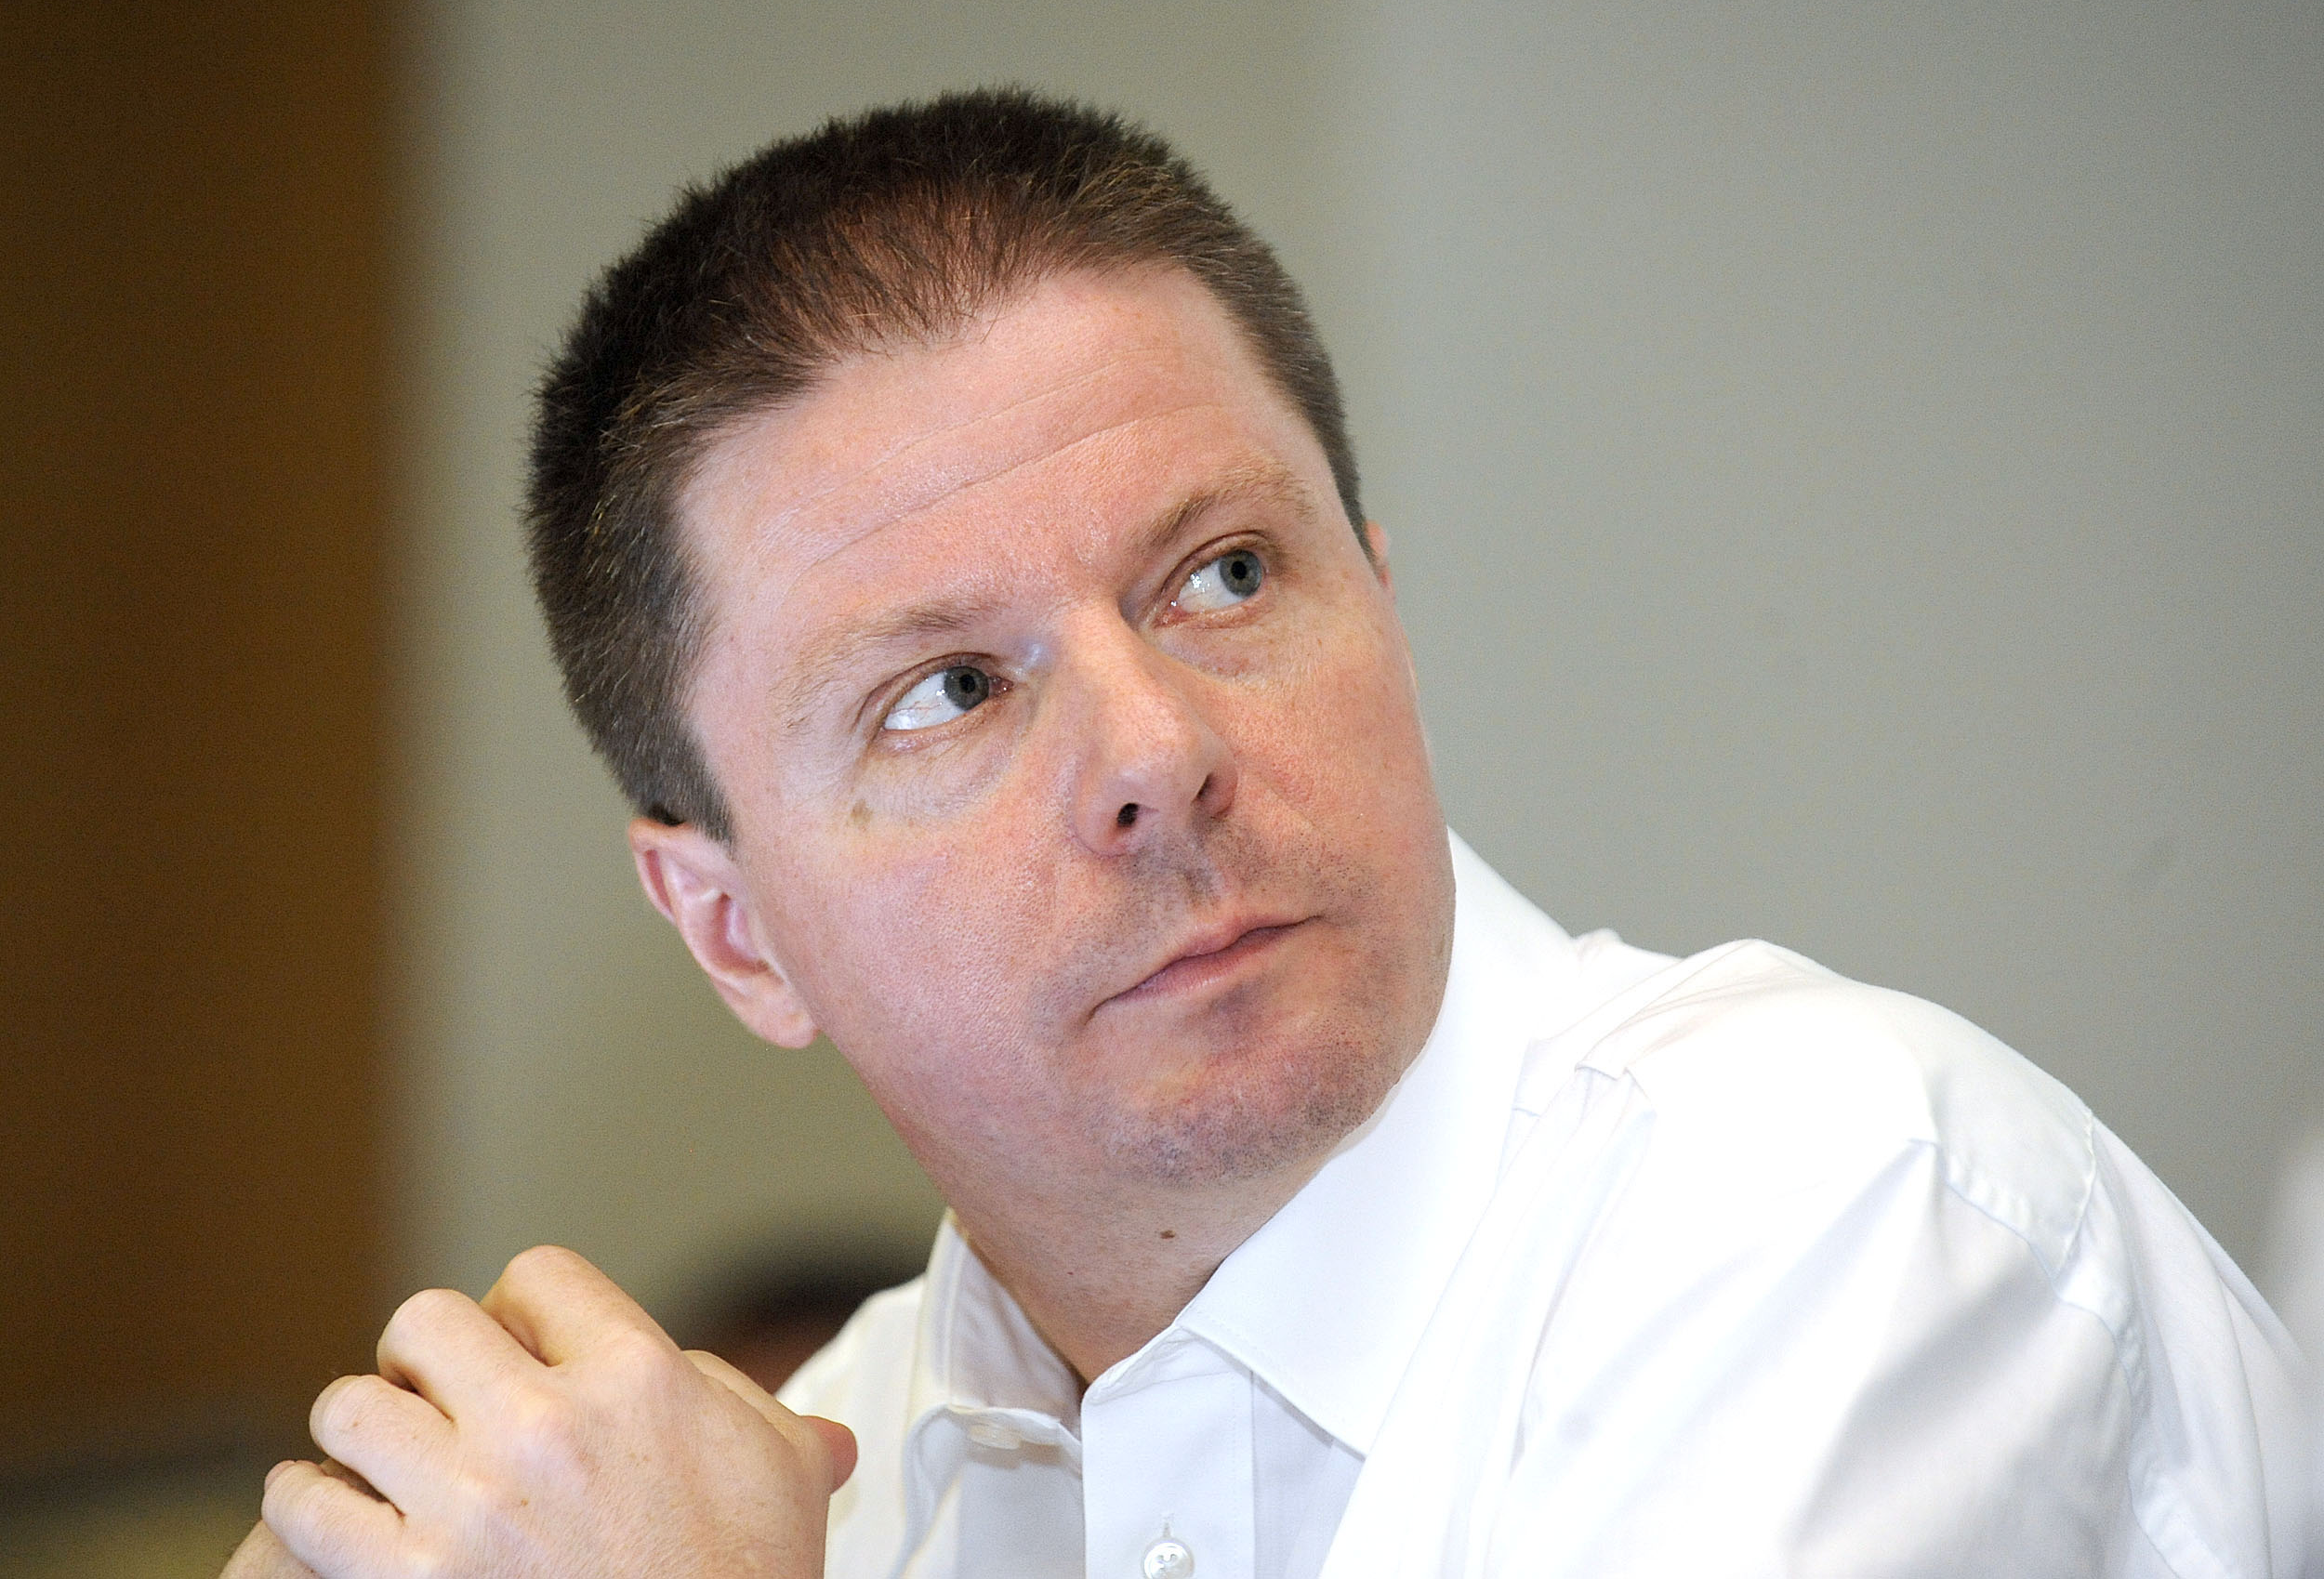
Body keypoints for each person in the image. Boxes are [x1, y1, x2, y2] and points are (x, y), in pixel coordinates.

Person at [227, 90, 2306, 1579]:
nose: (1155, 753)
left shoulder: (1833, 1214)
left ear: (1380, 599)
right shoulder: (800, 1483)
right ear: (734, 931)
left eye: (1221, 575)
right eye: (946, 691)